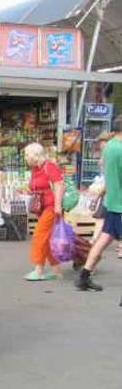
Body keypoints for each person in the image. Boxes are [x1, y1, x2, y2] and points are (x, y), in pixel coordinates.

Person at [76, 115, 122, 293]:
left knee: (104, 238)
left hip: (112, 201)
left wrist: (100, 194)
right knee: (104, 238)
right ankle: (84, 276)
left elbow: (111, 176)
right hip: (119, 203)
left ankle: (84, 276)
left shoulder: (110, 146)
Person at [23, 143, 64, 282]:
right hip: (43, 207)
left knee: (40, 236)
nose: (25, 157)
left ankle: (38, 269)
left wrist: (58, 205)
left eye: (27, 154)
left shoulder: (49, 166)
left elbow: (59, 184)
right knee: (48, 239)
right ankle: (56, 270)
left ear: (35, 155)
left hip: (51, 207)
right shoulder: (35, 168)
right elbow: (37, 186)